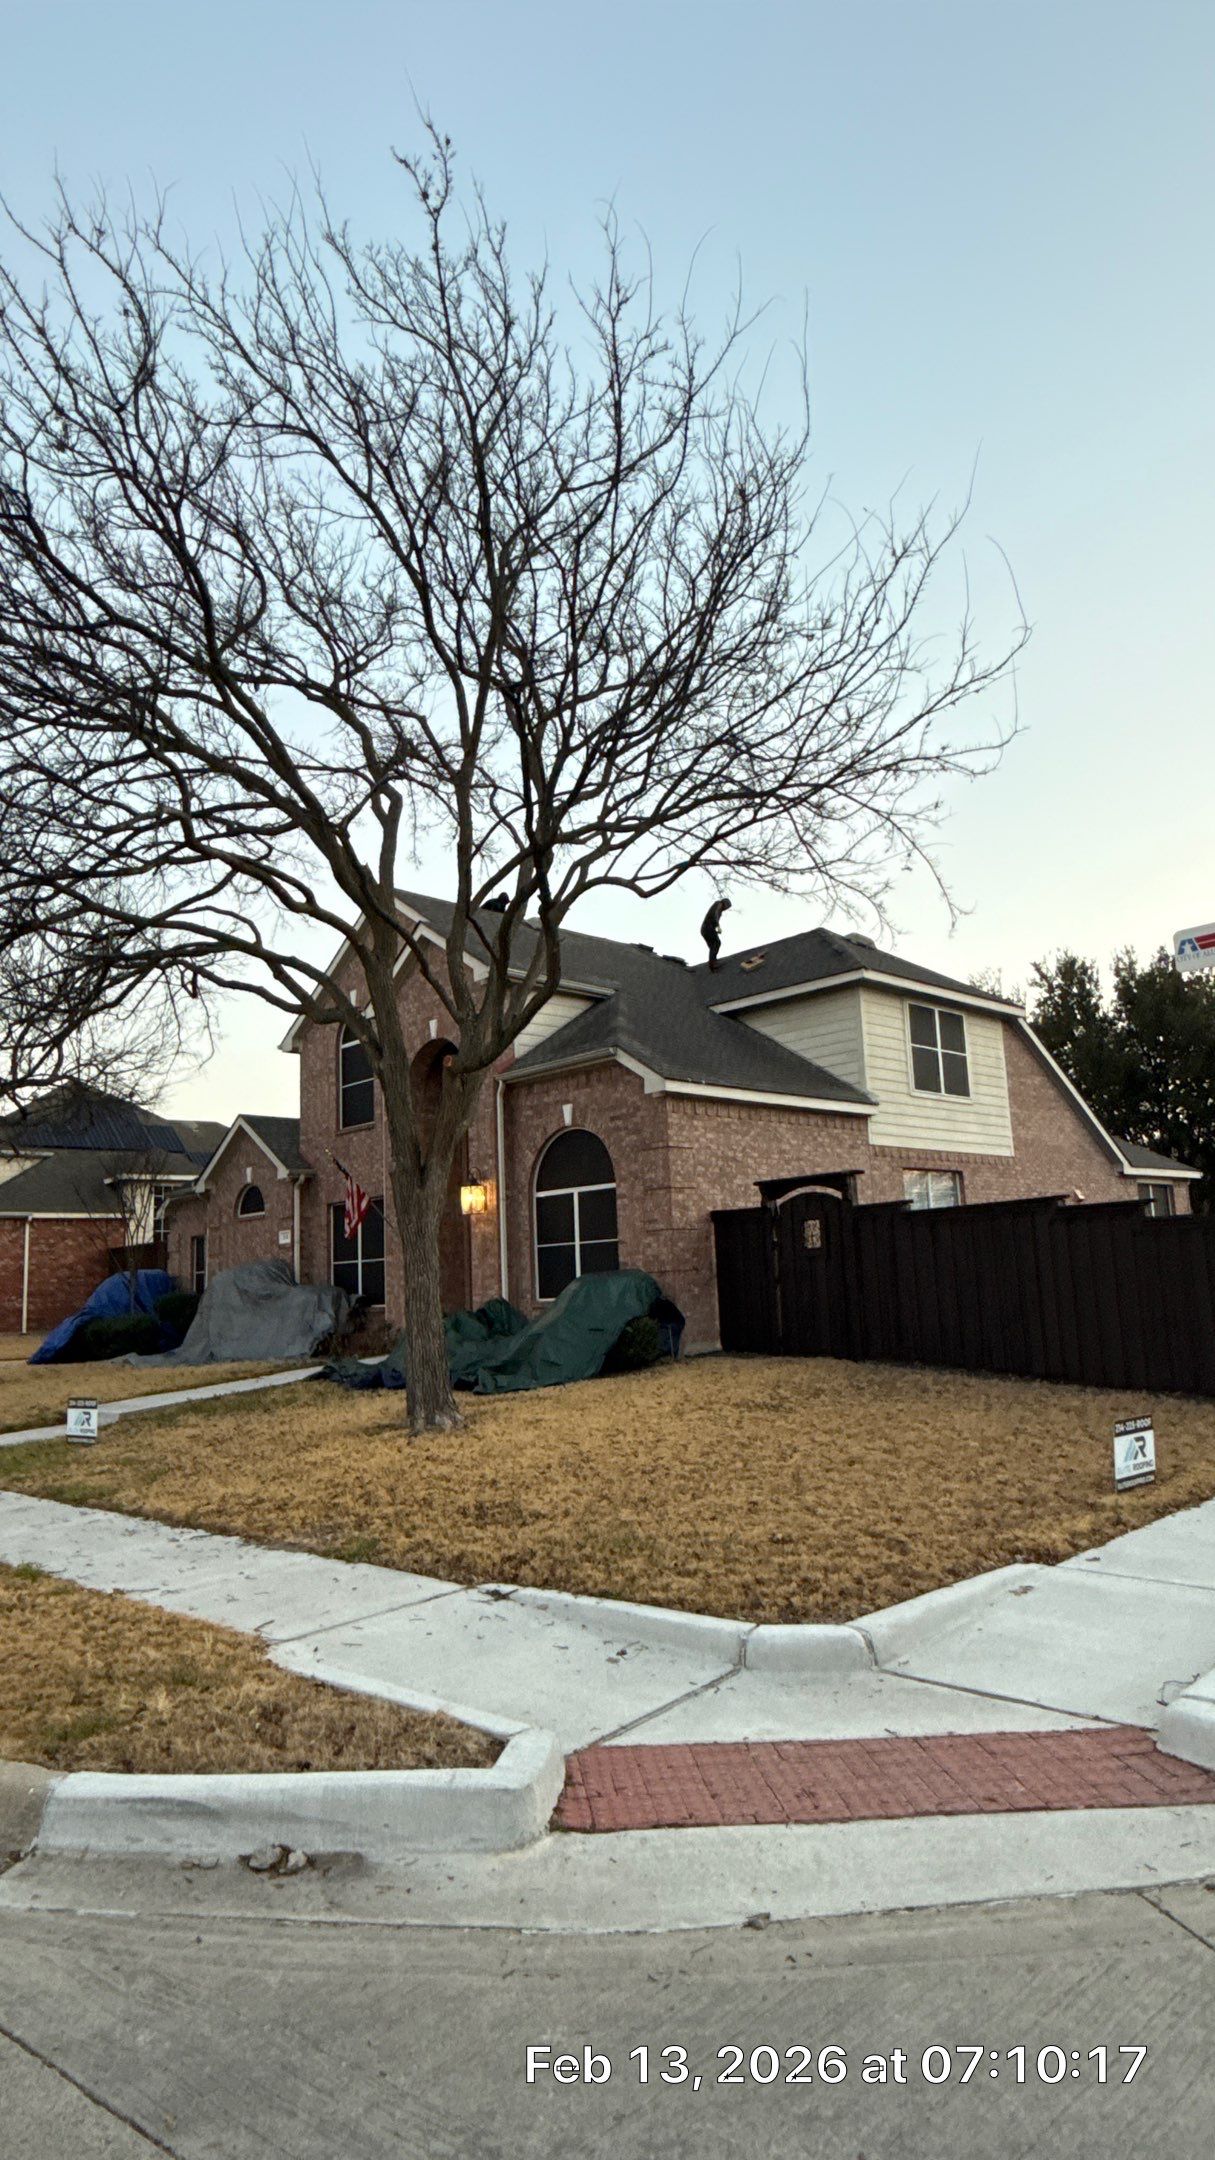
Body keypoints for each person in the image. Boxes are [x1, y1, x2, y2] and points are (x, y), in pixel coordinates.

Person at [699, 895, 732, 970]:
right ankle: (712, 964)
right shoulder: (718, 904)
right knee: (716, 943)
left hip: (706, 929)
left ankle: (713, 961)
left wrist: (716, 928)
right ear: (725, 904)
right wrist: (718, 927)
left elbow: (715, 918)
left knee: (714, 945)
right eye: (727, 907)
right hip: (708, 928)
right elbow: (714, 916)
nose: (726, 909)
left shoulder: (719, 910)